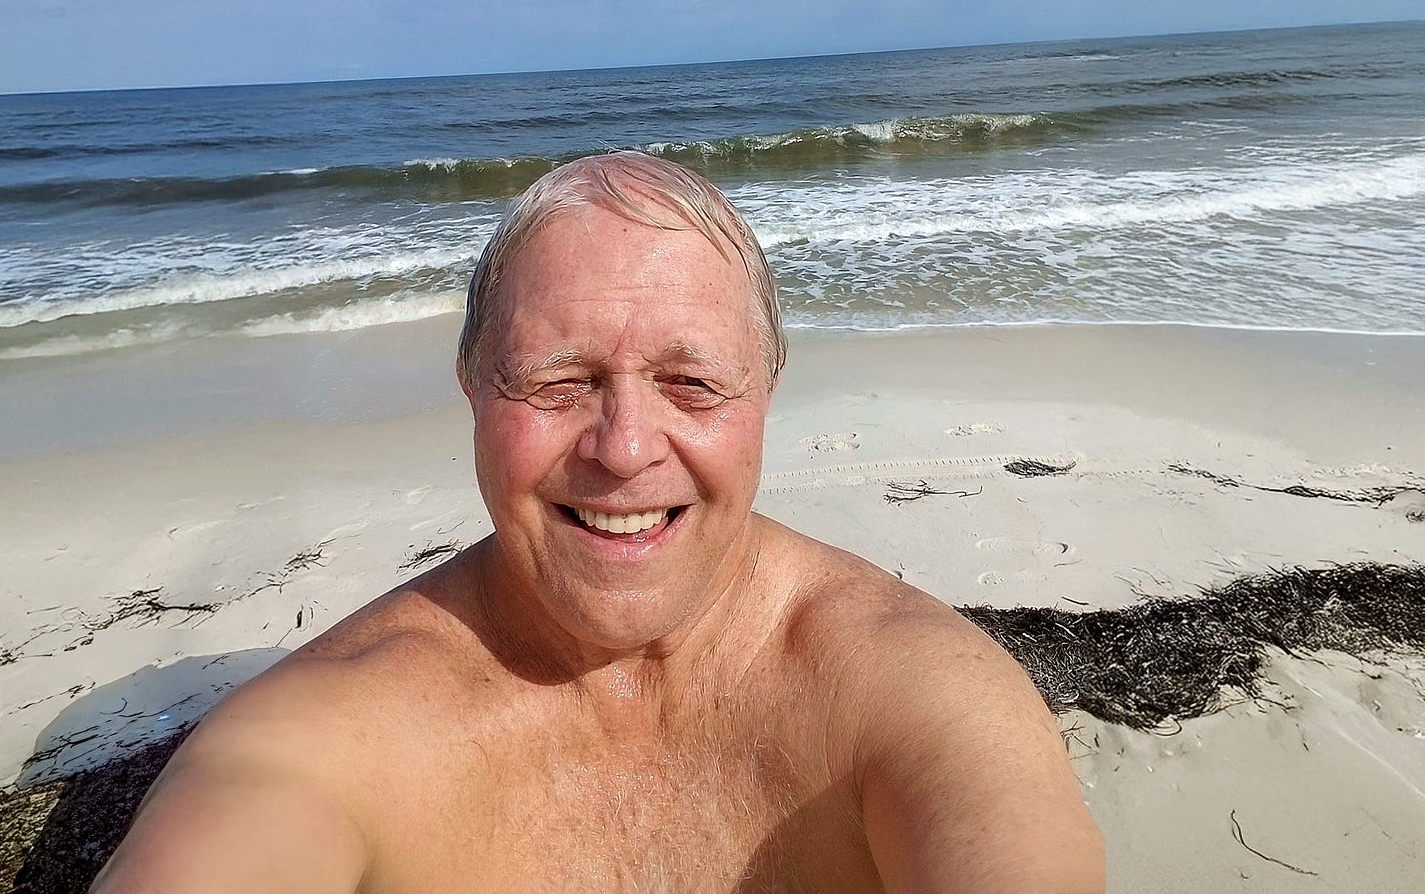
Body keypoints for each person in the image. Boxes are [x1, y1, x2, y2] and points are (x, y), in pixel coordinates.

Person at [92, 152, 1103, 892]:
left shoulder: (917, 693)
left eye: (691, 382)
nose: (623, 447)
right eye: (558, 379)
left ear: (766, 389)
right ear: (472, 387)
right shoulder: (325, 736)